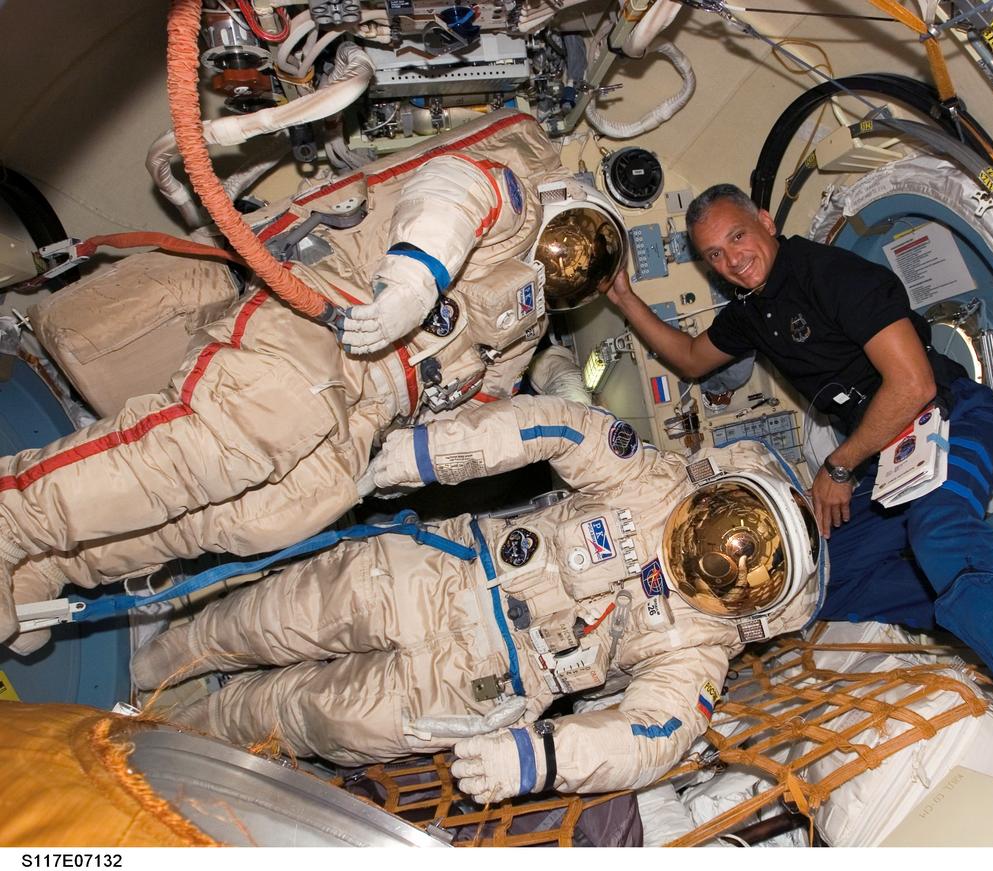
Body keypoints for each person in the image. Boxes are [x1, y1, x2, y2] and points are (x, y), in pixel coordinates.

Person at [604, 183, 993, 835]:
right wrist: (619, 294)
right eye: (713, 256)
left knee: (942, 538)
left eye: (736, 238)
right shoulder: (754, 309)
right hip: (886, 460)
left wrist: (837, 467)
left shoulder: (829, 273)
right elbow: (691, 357)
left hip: (947, 419)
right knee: (820, 589)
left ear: (764, 220)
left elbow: (915, 383)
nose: (731, 260)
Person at [0, 110, 627, 654]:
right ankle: (13, 523)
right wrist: (413, 283)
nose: (569, 267)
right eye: (572, 245)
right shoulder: (513, 202)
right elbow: (452, 191)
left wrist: (420, 457)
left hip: (374, 413)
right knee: (230, 442)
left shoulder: (522, 328)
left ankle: (51, 566)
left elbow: (485, 405)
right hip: (333, 316)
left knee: (271, 519)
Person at [130, 395, 824, 802]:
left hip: (476, 687)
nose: (729, 551)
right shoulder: (650, 483)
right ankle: (149, 668)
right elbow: (558, 425)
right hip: (444, 575)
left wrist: (538, 760)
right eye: (740, 525)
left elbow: (652, 737)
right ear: (725, 493)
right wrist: (435, 452)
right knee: (263, 620)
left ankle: (152, 747)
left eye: (754, 562)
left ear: (758, 604)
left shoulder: (697, 649)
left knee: (301, 716)